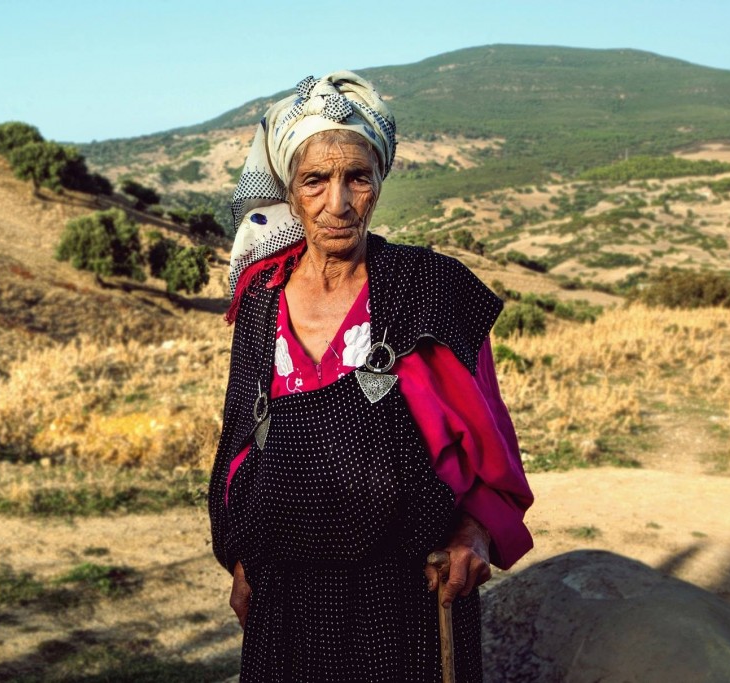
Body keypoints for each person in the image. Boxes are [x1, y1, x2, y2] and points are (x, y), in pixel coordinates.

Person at [208, 71, 534, 682]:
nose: (338, 203)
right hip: (287, 595)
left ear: (380, 180)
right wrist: (242, 556)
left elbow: (488, 440)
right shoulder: (260, 299)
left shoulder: (429, 289)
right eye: (316, 180)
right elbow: (238, 442)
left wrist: (473, 534)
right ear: (287, 188)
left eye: (358, 177)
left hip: (407, 594)